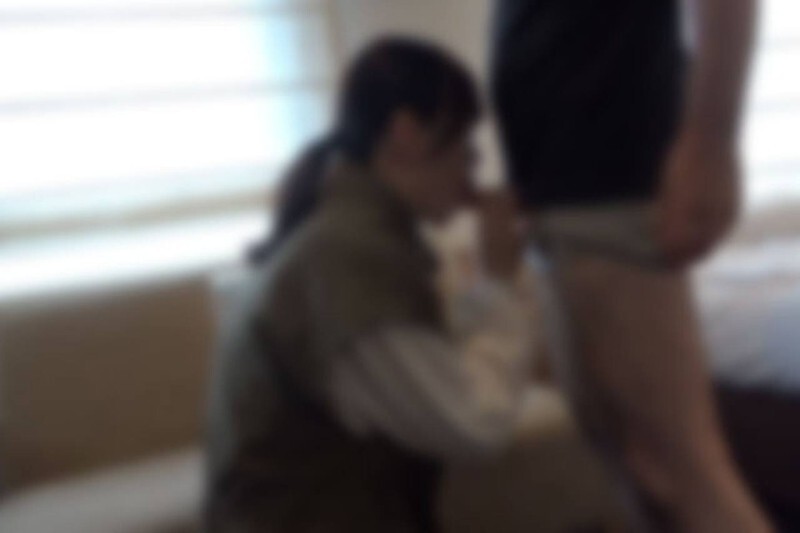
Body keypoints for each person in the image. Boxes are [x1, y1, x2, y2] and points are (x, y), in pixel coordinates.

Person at [205, 38, 534, 533]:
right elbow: (476, 424)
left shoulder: (343, 234)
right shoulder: (349, 257)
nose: (472, 168)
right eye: (464, 143)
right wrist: (503, 283)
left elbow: (432, 368)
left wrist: (488, 286)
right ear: (407, 134)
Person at [491, 0, 771, 531]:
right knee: (632, 464)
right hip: (556, 205)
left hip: (612, 187)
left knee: (681, 472)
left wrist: (712, 143)